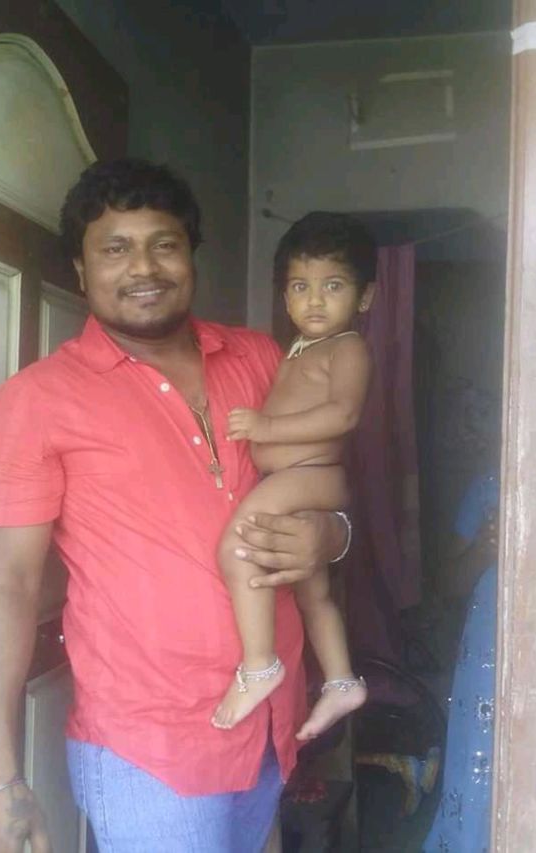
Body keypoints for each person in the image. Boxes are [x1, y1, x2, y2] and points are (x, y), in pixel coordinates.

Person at [0, 159, 351, 853]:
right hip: (149, 750)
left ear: (190, 255)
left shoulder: (261, 358)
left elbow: (325, 474)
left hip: (270, 723)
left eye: (163, 244)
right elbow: (6, 584)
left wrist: (333, 533)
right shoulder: (36, 401)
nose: (143, 266)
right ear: (81, 270)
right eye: (115, 248)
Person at [213, 213, 374, 736]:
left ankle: (260, 664)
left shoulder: (348, 347)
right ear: (285, 299)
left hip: (311, 474)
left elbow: (343, 414)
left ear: (365, 297)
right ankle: (342, 682)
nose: (316, 300)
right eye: (301, 287)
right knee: (312, 592)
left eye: (334, 286)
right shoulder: (299, 348)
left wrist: (266, 427)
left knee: (237, 547)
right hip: (299, 479)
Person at [422, 471, 498, 852]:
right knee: (476, 761)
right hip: (486, 653)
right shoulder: (487, 488)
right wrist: (482, 553)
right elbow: (446, 583)